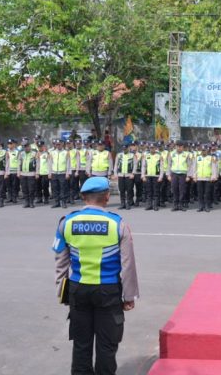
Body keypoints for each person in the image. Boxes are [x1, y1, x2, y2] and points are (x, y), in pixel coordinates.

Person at [53, 176, 138, 375]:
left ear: (83, 197)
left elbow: (60, 264)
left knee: (81, 344)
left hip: (78, 290)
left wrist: (63, 294)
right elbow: (128, 265)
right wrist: (129, 296)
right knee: (107, 345)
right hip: (108, 291)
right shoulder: (118, 224)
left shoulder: (66, 222)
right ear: (107, 196)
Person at [168, 140, 193, 212]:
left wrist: (188, 176)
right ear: (175, 146)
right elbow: (169, 165)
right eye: (177, 146)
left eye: (180, 146)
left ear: (183, 147)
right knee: (174, 189)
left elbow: (189, 166)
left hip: (183, 174)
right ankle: (175, 205)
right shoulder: (171, 154)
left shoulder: (186, 154)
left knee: (182, 190)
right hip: (174, 174)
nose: (179, 148)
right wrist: (169, 175)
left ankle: (181, 205)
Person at [194, 143, 218, 212]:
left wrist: (214, 176)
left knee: (207, 193)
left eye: (205, 150)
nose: (204, 151)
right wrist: (194, 176)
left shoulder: (211, 158)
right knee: (200, 193)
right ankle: (201, 206)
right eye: (202, 150)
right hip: (199, 178)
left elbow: (214, 167)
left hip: (207, 178)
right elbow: (195, 168)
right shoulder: (197, 158)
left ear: (207, 150)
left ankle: (207, 206)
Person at [141, 142, 163, 211]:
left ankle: (155, 205)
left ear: (155, 148)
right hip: (148, 176)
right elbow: (143, 166)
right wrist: (143, 176)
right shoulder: (146, 156)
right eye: (150, 148)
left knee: (156, 191)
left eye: (153, 148)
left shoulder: (159, 156)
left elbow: (161, 167)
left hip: (156, 176)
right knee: (149, 191)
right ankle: (149, 205)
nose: (152, 149)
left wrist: (161, 177)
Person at [115, 143, 136, 210]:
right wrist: (115, 174)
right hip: (121, 175)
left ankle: (128, 203)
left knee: (129, 190)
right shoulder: (119, 155)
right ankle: (122, 203)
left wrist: (133, 173)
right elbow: (116, 165)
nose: (124, 150)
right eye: (123, 149)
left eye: (125, 148)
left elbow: (135, 165)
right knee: (121, 190)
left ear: (128, 148)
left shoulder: (132, 155)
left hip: (129, 175)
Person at [18, 142, 38, 208]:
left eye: (26, 146)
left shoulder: (34, 153)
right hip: (23, 174)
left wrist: (37, 173)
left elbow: (38, 164)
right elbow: (19, 163)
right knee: (24, 189)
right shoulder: (21, 153)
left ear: (29, 146)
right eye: (24, 147)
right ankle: (26, 202)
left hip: (31, 174)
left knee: (31, 189)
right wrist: (18, 172)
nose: (25, 148)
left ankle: (31, 202)